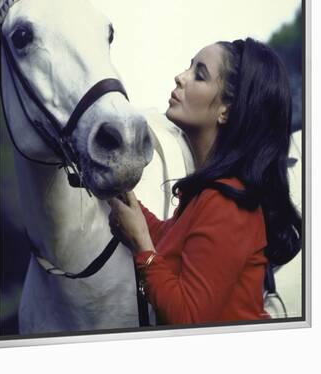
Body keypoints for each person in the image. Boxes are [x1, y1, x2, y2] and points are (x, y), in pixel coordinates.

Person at [108, 38, 301, 325]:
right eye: (188, 67)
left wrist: (141, 246)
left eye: (199, 74)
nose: (180, 77)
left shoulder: (228, 202)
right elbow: (170, 241)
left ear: (226, 110)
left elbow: (189, 320)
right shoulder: (211, 192)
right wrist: (118, 191)